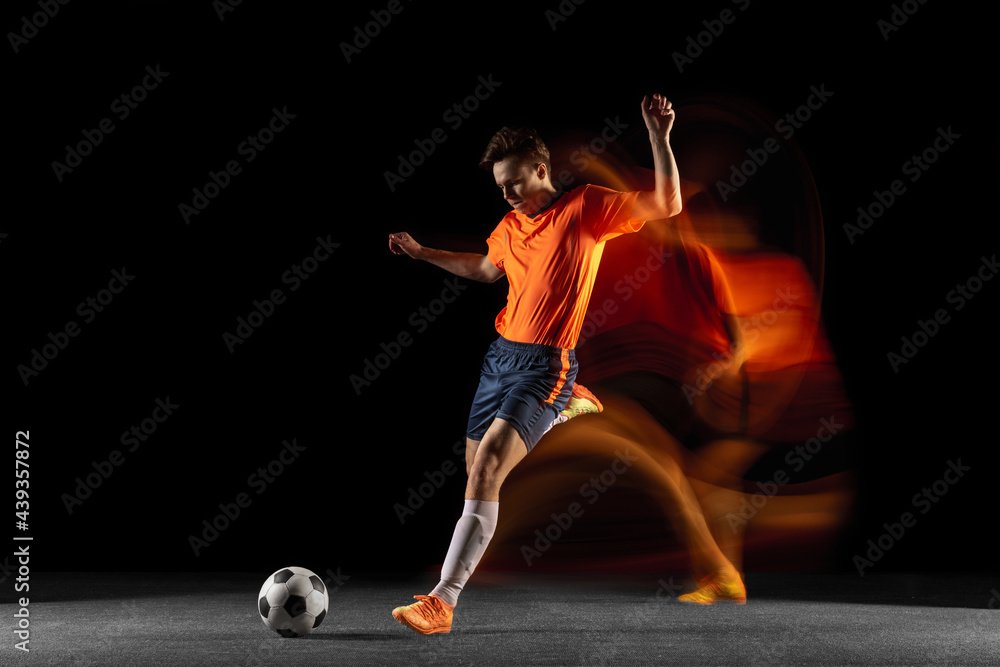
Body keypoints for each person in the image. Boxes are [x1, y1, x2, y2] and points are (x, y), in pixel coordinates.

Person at [387, 94, 685, 635]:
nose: (506, 193)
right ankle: (565, 410)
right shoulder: (507, 226)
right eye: (499, 186)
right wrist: (423, 252)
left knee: (487, 470)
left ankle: (442, 601)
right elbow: (484, 268)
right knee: (476, 475)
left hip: (545, 363)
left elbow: (666, 205)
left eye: (514, 182)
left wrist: (659, 138)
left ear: (540, 170)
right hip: (499, 359)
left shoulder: (588, 207)